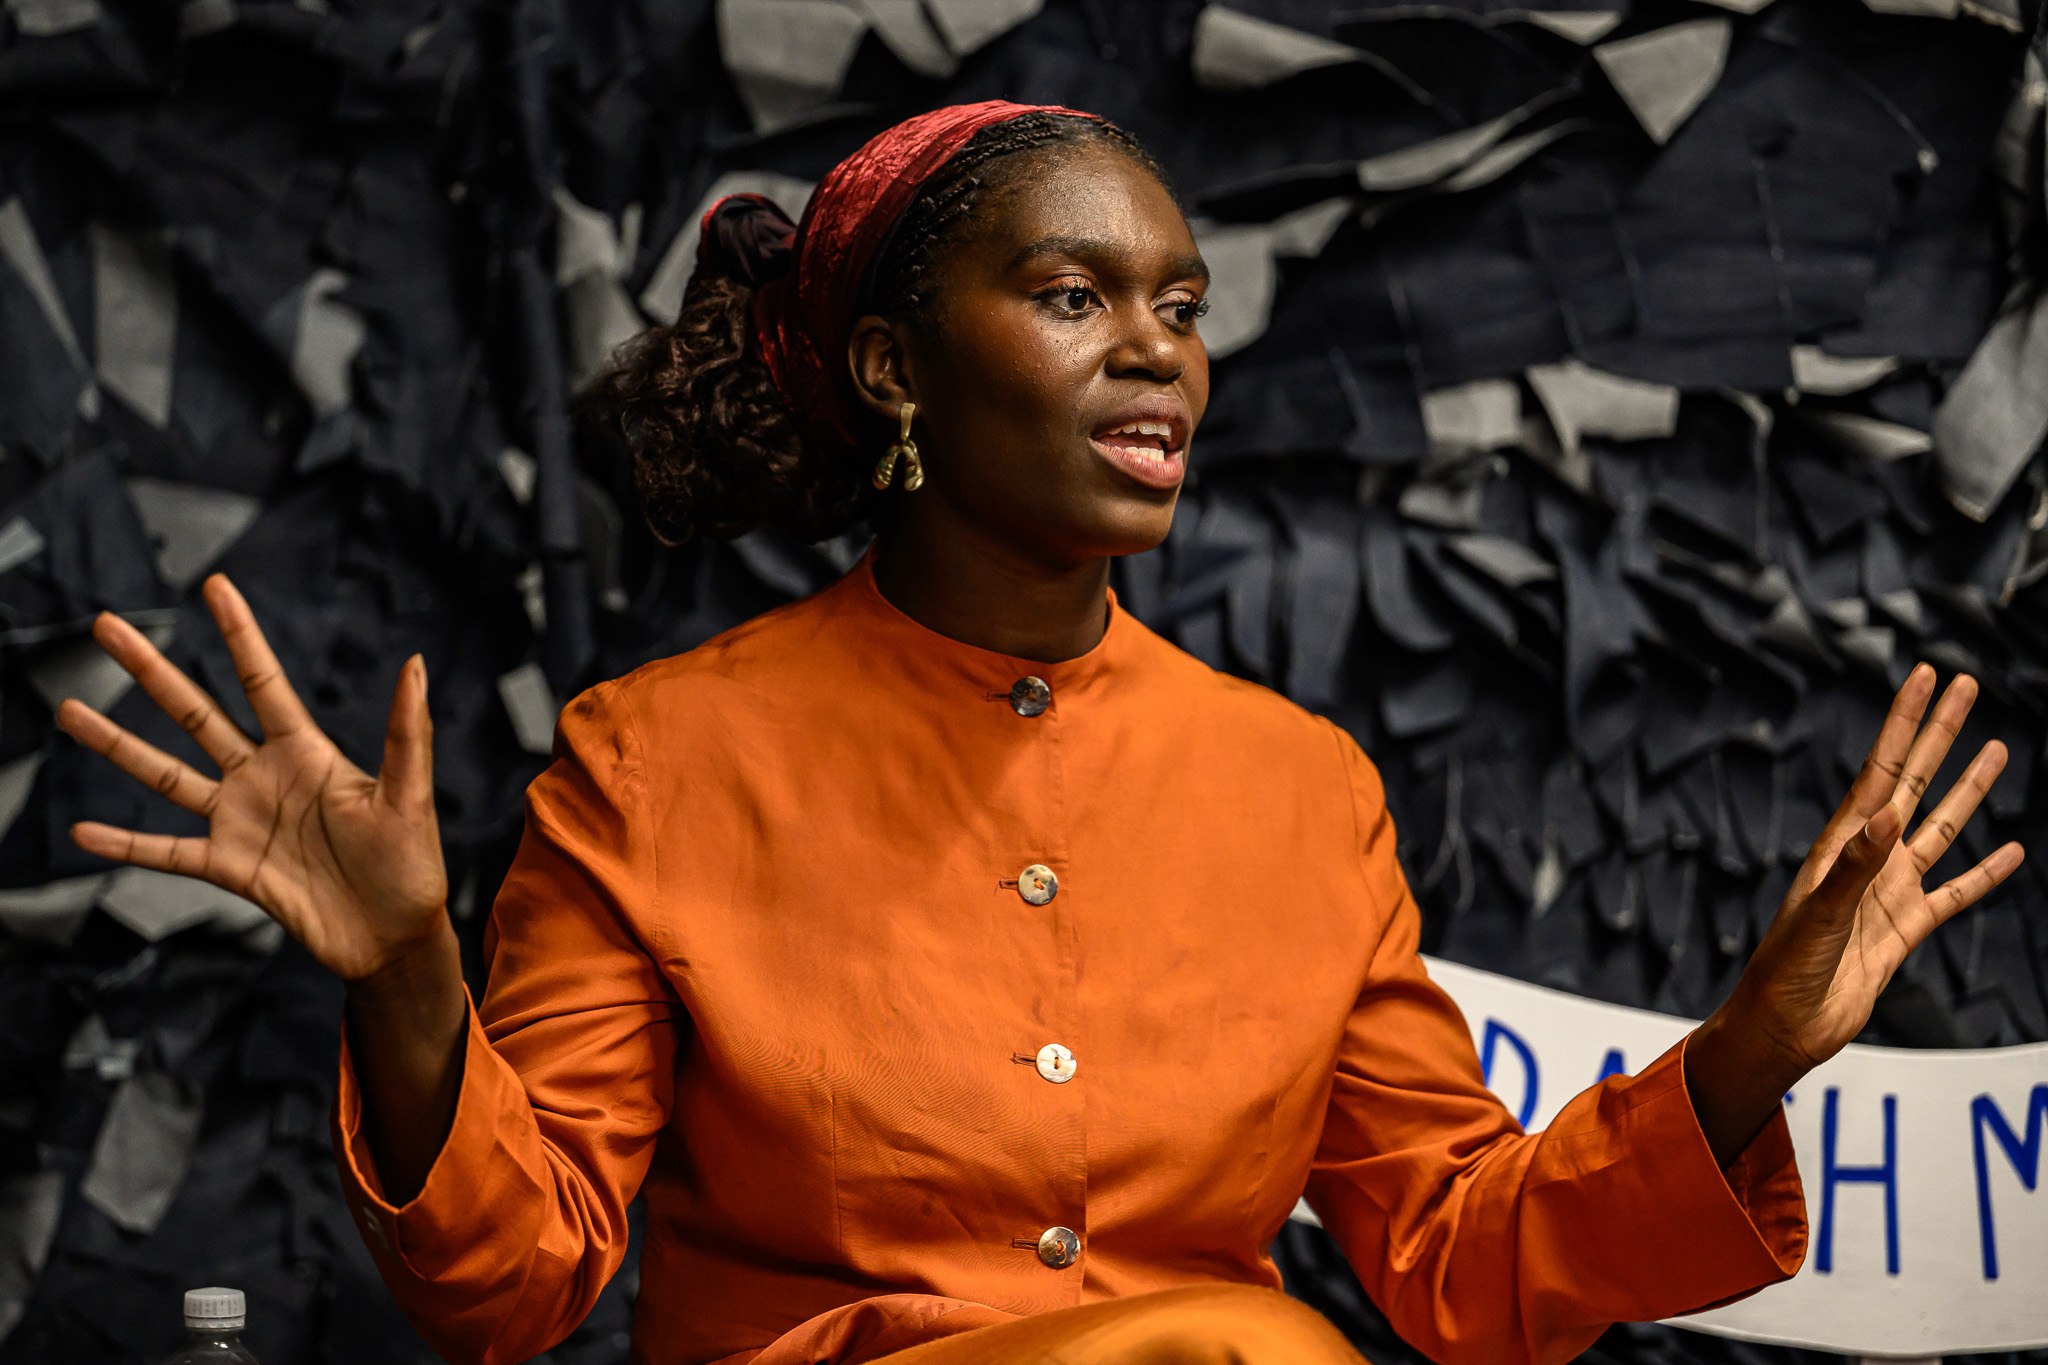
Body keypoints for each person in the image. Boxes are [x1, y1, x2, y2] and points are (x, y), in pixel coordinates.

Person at [55, 102, 2022, 1365]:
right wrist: (408, 974)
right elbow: (510, 1281)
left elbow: (1454, 1254)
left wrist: (1742, 1059)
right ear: (900, 367)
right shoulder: (654, 763)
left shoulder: (1296, 788)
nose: (1156, 344)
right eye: (1075, 294)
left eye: (1176, 300)